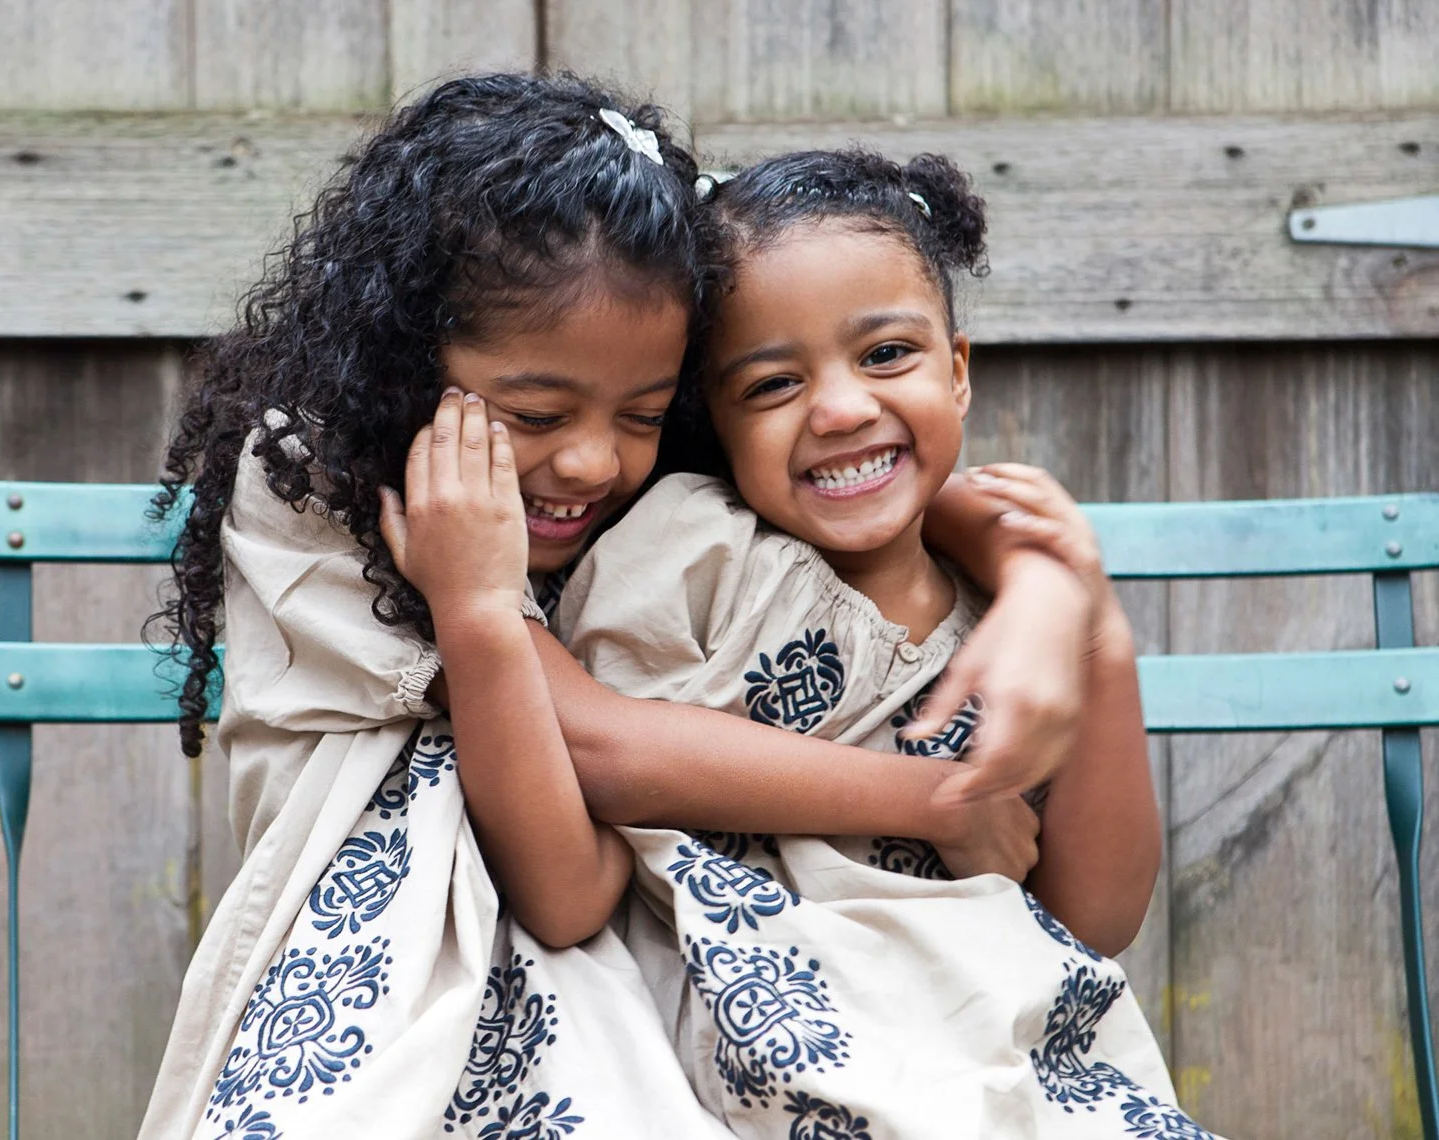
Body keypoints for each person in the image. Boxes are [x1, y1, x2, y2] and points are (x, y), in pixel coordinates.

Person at [143, 73, 1103, 1139]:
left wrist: (1047, 575)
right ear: (405, 369)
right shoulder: (325, 482)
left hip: (646, 972)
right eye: (535, 410)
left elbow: (888, 503)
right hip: (391, 983)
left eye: (645, 412)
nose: (594, 458)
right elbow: (575, 839)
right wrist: (933, 800)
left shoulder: (654, 502)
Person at [389, 147, 1219, 1137]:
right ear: (713, 423)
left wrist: (1095, 634)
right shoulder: (692, 554)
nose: (839, 407)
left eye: (885, 356)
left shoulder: (1008, 620)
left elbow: (1092, 919)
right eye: (774, 383)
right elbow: (600, 763)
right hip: (752, 1058)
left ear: (957, 373)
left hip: (984, 1052)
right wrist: (942, 799)